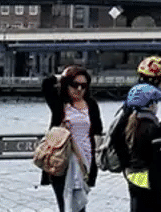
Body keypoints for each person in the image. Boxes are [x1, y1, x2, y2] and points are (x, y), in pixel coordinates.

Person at [41, 65, 103, 212]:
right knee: (65, 206)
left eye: (84, 86)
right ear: (66, 85)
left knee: (80, 205)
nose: (79, 89)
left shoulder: (91, 104)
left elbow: (98, 130)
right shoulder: (60, 104)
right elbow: (46, 84)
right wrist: (62, 76)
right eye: (75, 85)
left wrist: (96, 160)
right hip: (61, 161)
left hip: (85, 162)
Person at [123, 83, 161, 212]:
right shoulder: (150, 126)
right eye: (155, 103)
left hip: (132, 175)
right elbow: (158, 156)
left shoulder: (132, 122)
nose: (156, 106)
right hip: (149, 178)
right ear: (149, 105)